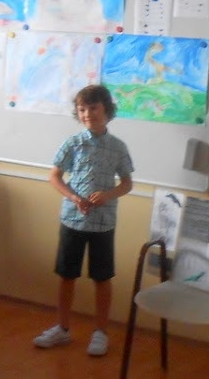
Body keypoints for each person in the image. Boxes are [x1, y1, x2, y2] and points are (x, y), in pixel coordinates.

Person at [33, 84, 134, 356]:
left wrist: (108, 195)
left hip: (103, 223)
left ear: (106, 109)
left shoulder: (118, 147)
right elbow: (54, 176)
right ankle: (62, 328)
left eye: (93, 108)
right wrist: (73, 197)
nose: (88, 113)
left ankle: (100, 332)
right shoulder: (73, 143)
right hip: (73, 219)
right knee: (67, 275)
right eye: (82, 109)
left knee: (102, 277)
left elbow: (127, 183)